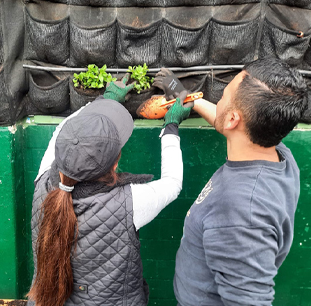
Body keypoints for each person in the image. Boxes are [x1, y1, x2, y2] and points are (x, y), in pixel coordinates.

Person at [153, 57, 308, 306]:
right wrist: (187, 97)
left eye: (224, 95)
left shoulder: (242, 214)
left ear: (234, 119)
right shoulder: (277, 153)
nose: (220, 100)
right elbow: (229, 123)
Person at [27, 74, 192, 306]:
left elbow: (63, 129)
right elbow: (173, 183)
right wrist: (171, 127)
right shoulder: (130, 202)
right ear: (115, 164)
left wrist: (105, 100)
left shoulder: (44, 180)